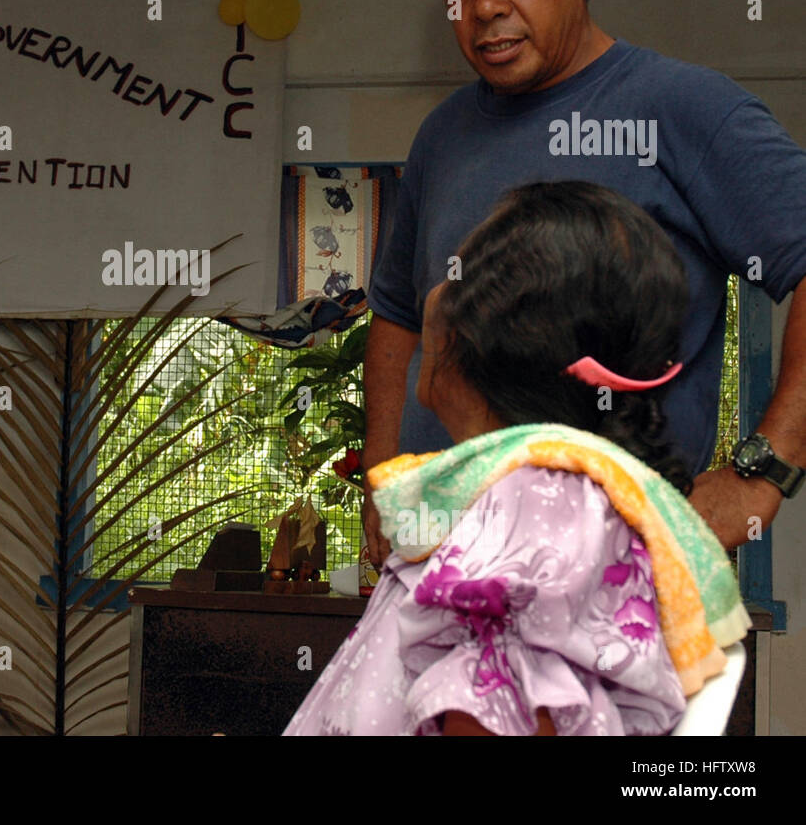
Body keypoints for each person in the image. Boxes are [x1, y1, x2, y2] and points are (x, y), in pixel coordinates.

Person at [363, 0, 806, 563]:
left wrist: (766, 468)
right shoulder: (442, 135)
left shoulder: (685, 109)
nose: (485, 7)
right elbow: (396, 315)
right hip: (438, 566)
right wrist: (383, 473)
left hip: (609, 575)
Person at [287, 181, 748, 736]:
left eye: (459, 269)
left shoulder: (536, 501)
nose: (437, 286)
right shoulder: (545, 492)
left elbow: (499, 705)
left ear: (488, 334)